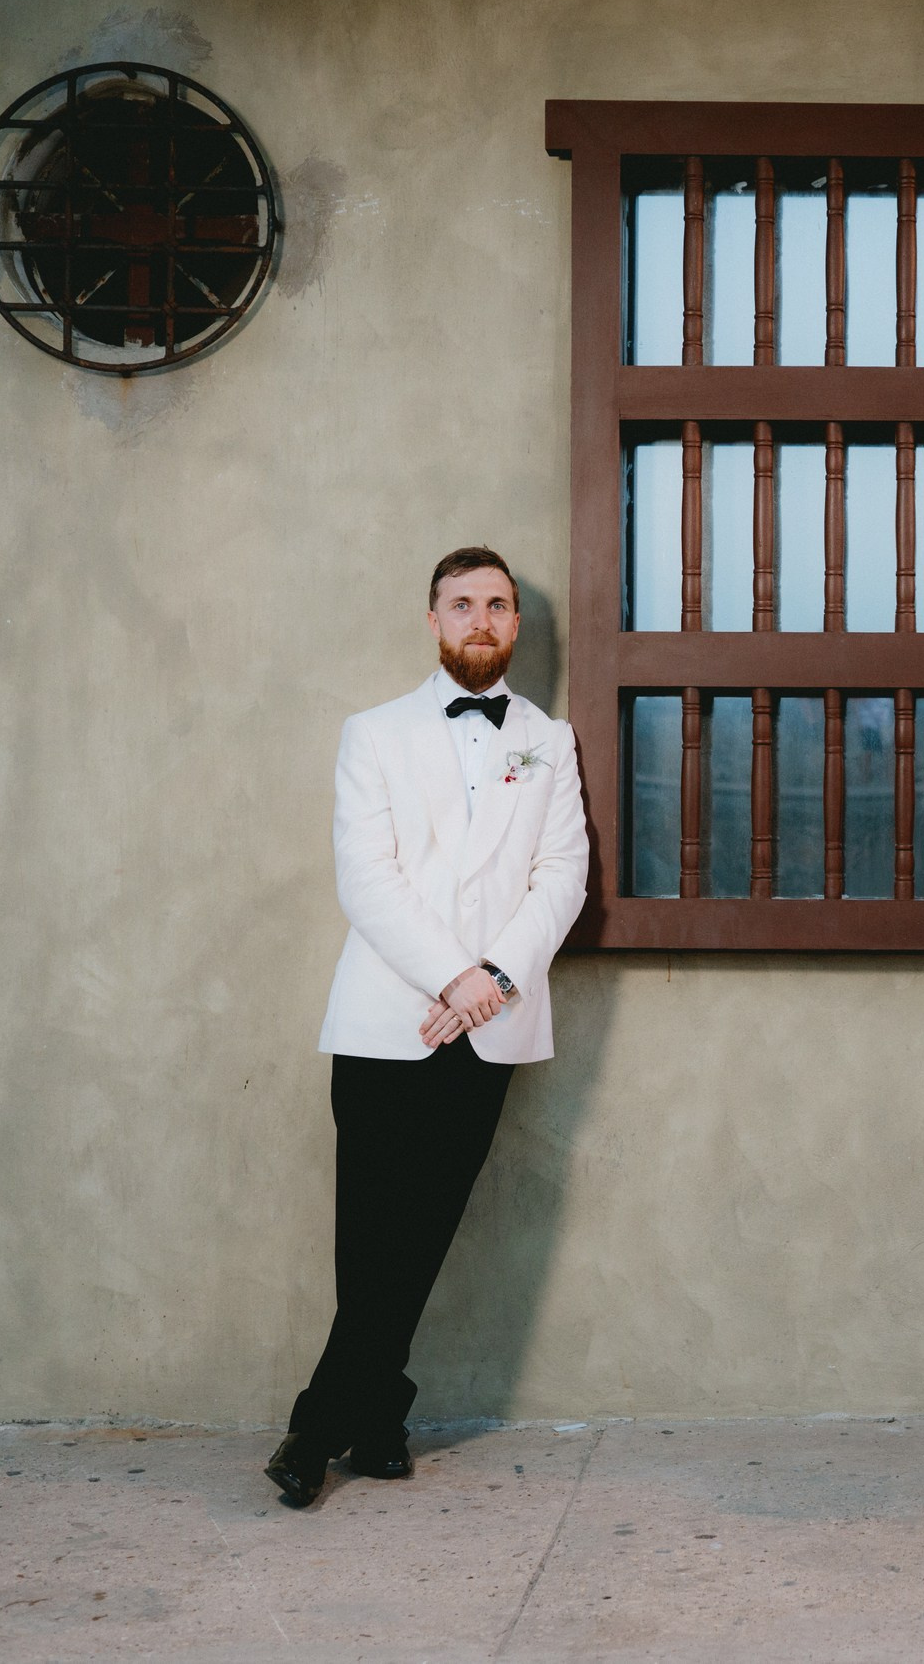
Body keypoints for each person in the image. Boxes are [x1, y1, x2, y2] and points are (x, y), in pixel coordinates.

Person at [265, 546, 589, 1509]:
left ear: (517, 625)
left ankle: (351, 1419)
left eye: (498, 604)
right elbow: (367, 877)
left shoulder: (550, 740)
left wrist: (492, 980)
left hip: (489, 1023)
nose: (480, 619)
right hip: (384, 1017)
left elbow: (561, 875)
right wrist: (452, 973)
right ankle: (355, 1421)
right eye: (462, 604)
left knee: (427, 1232)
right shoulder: (371, 733)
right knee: (369, 1237)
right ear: (434, 618)